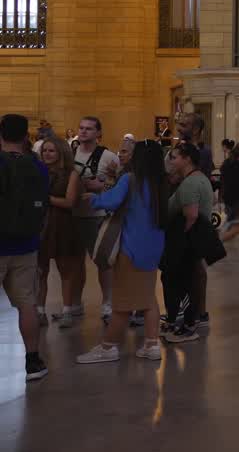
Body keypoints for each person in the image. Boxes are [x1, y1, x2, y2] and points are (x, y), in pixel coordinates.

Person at [76, 140, 170, 365]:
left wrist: (93, 198)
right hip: (154, 247)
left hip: (130, 247)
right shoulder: (161, 182)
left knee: (122, 304)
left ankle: (108, 347)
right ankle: (151, 344)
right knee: (149, 299)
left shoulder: (130, 179)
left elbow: (113, 201)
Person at [0, 114, 51, 381]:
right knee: (27, 304)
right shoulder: (38, 167)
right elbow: (44, 206)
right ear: (26, 136)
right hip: (27, 245)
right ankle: (33, 361)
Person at [161, 142, 214, 343]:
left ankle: (189, 325)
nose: (171, 161)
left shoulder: (191, 183)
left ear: (187, 159)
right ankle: (185, 320)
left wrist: (180, 244)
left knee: (184, 282)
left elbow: (190, 216)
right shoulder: (196, 179)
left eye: (174, 157)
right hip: (193, 240)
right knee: (186, 281)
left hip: (188, 241)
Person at [72, 116, 121, 323]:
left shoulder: (109, 157)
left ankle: (108, 303)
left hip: (98, 216)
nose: (83, 132)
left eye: (89, 129)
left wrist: (102, 187)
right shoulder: (69, 154)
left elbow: (122, 185)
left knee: (103, 262)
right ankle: (73, 303)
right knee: (72, 263)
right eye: (81, 128)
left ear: (98, 133)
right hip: (72, 214)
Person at [37, 138, 85, 328]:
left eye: (51, 151)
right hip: (41, 224)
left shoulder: (71, 174)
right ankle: (40, 311)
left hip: (62, 224)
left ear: (61, 153)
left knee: (66, 270)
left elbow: (69, 202)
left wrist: (46, 198)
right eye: (44, 151)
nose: (47, 154)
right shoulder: (38, 172)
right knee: (40, 271)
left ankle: (67, 310)